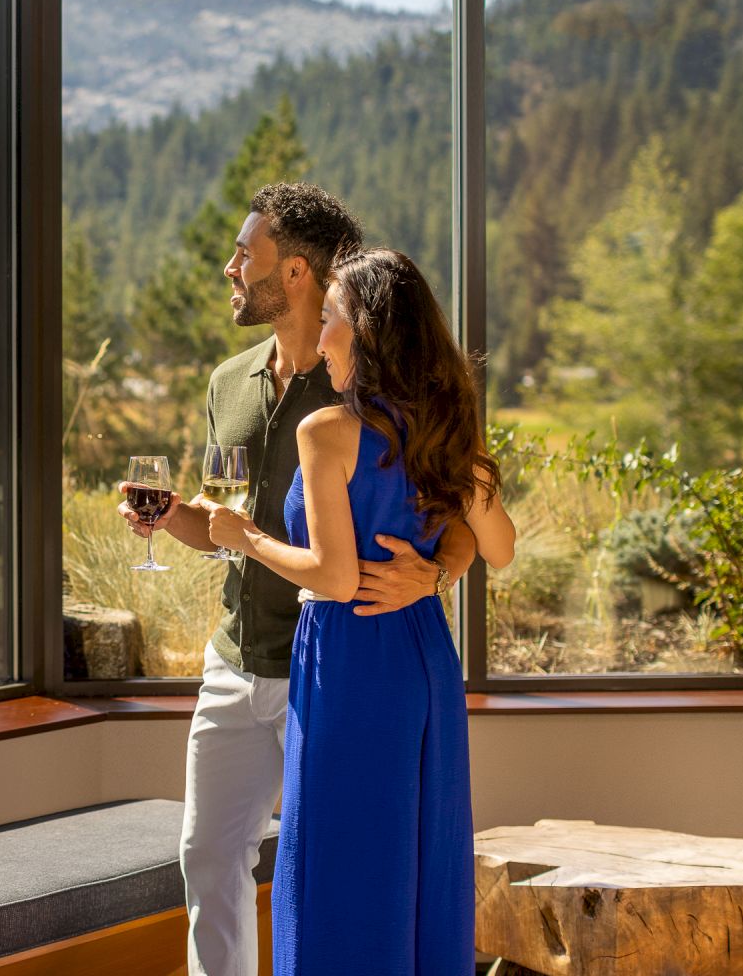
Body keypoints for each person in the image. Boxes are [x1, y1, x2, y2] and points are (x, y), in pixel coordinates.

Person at [121, 183, 479, 976]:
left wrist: (435, 577)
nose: (228, 268)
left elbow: (456, 518)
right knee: (207, 856)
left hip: (321, 666)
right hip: (236, 655)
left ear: (294, 274)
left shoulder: (361, 388)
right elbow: (231, 522)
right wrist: (176, 518)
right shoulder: (229, 382)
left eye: (245, 254)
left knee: (333, 860)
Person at [201, 247, 517, 973]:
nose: (319, 333)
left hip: (346, 658)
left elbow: (336, 579)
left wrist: (242, 535)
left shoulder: (326, 431)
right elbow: (496, 545)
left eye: (333, 315)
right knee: (416, 851)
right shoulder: (444, 434)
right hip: (422, 661)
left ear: (367, 331)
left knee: (332, 854)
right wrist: (435, 569)